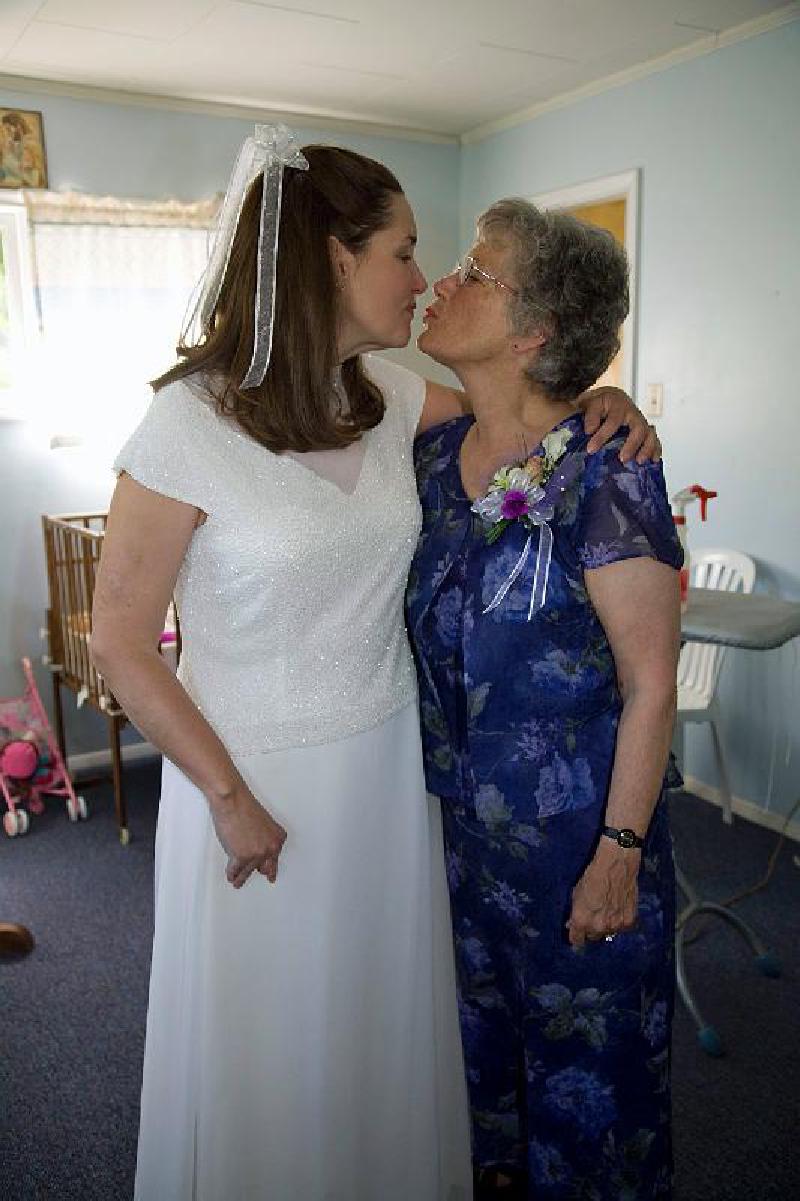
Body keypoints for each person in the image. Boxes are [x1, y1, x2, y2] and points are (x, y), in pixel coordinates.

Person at [91, 127, 658, 1201]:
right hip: (249, 783)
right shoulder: (185, 426)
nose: (422, 276)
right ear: (330, 260)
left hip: (385, 773)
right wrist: (227, 796)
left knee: (374, 1025)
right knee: (272, 1034)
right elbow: (118, 642)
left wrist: (605, 401)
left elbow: (522, 416)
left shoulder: (391, 398)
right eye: (402, 250)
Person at [407, 201, 682, 1200]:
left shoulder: (611, 471)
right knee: (484, 1096)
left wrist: (618, 851)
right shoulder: (431, 461)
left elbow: (652, 681)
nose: (442, 280)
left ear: (530, 331)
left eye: (473, 272)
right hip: (454, 850)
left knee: (589, 1105)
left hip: (579, 849)